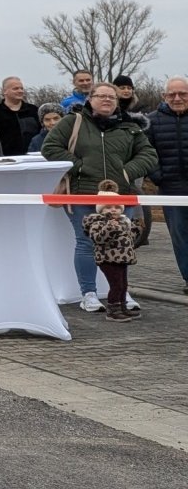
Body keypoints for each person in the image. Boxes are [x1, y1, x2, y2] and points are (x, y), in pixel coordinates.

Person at [42, 83, 158, 313]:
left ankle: (121, 293)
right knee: (86, 243)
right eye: (101, 96)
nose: (107, 100)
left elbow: (149, 154)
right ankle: (89, 293)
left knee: (122, 242)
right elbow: (50, 147)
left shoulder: (130, 127)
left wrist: (127, 172)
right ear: (90, 99)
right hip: (83, 193)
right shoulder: (73, 121)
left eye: (111, 97)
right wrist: (79, 166)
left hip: (121, 195)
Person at [145, 77, 188, 291]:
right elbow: (145, 152)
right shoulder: (152, 121)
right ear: (164, 96)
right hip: (171, 188)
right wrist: (158, 176)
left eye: (183, 94)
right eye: (172, 94)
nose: (177, 98)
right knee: (180, 236)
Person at [82, 180, 141, 323]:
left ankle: (122, 307)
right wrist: (109, 227)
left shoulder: (123, 221)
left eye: (116, 207)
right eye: (108, 207)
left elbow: (129, 239)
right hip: (108, 259)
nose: (113, 210)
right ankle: (113, 310)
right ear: (101, 209)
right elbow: (98, 238)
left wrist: (137, 229)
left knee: (123, 285)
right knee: (116, 285)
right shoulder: (97, 222)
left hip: (122, 259)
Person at [111, 75, 155, 246]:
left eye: (129, 88)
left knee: (134, 194)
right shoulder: (107, 110)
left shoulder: (140, 110)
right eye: (122, 87)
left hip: (134, 162)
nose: (126, 91)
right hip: (113, 161)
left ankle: (139, 230)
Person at [0, 76, 37, 157]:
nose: (20, 91)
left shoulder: (34, 110)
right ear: (4, 91)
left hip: (33, 157)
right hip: (6, 159)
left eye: (21, 88)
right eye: (15, 89)